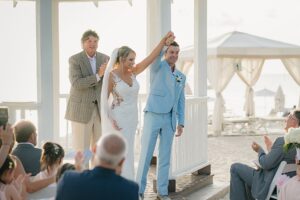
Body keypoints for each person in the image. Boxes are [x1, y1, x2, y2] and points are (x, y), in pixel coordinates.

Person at [100, 31, 175, 181]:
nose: (133, 63)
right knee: (120, 152)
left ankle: (128, 185)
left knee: (129, 151)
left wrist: (163, 42)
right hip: (118, 118)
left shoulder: (133, 72)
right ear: (121, 59)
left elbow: (150, 58)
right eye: (130, 60)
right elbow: (104, 100)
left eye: (134, 60)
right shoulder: (112, 76)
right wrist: (110, 120)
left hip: (132, 117)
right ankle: (117, 184)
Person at [136, 41, 186, 200]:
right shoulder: (157, 67)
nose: (175, 55)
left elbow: (181, 101)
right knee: (146, 155)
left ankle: (162, 192)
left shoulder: (181, 76)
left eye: (177, 52)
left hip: (170, 120)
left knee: (165, 157)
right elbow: (155, 56)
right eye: (171, 52)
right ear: (165, 53)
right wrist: (164, 42)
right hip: (153, 115)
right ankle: (138, 191)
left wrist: (181, 122)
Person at [230, 109, 300, 200]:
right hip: (284, 181)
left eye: (290, 116)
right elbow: (282, 159)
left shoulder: (283, 141)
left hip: (268, 182)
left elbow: (266, 164)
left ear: (295, 122)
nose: (286, 118)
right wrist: (271, 148)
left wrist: (260, 151)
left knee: (235, 168)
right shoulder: (297, 143)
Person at [55, 133, 139, 200]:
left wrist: (79, 171)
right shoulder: (130, 189)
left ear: (94, 149)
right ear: (122, 161)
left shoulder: (68, 180)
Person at [65, 29, 109, 152]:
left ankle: (96, 172)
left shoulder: (106, 59)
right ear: (82, 43)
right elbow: (76, 83)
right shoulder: (74, 60)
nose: (92, 43)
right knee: (82, 151)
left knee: (99, 152)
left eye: (95, 41)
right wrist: (98, 75)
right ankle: (83, 172)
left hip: (100, 111)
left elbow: (109, 82)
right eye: (89, 41)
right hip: (81, 111)